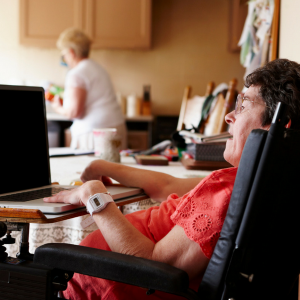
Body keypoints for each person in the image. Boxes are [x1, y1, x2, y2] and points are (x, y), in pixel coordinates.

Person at [44, 59, 300, 300]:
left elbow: (153, 267)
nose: (228, 117)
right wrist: (103, 167)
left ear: (277, 127)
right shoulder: (252, 183)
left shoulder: (227, 192)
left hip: (99, 286)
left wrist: (93, 194)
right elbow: (167, 186)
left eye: (243, 106)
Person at [52, 28, 127, 150]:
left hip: (95, 134)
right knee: (116, 168)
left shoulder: (76, 73)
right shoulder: (97, 68)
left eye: (64, 54)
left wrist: (58, 108)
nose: (65, 59)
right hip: (116, 127)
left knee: (91, 169)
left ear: (71, 52)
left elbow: (74, 112)